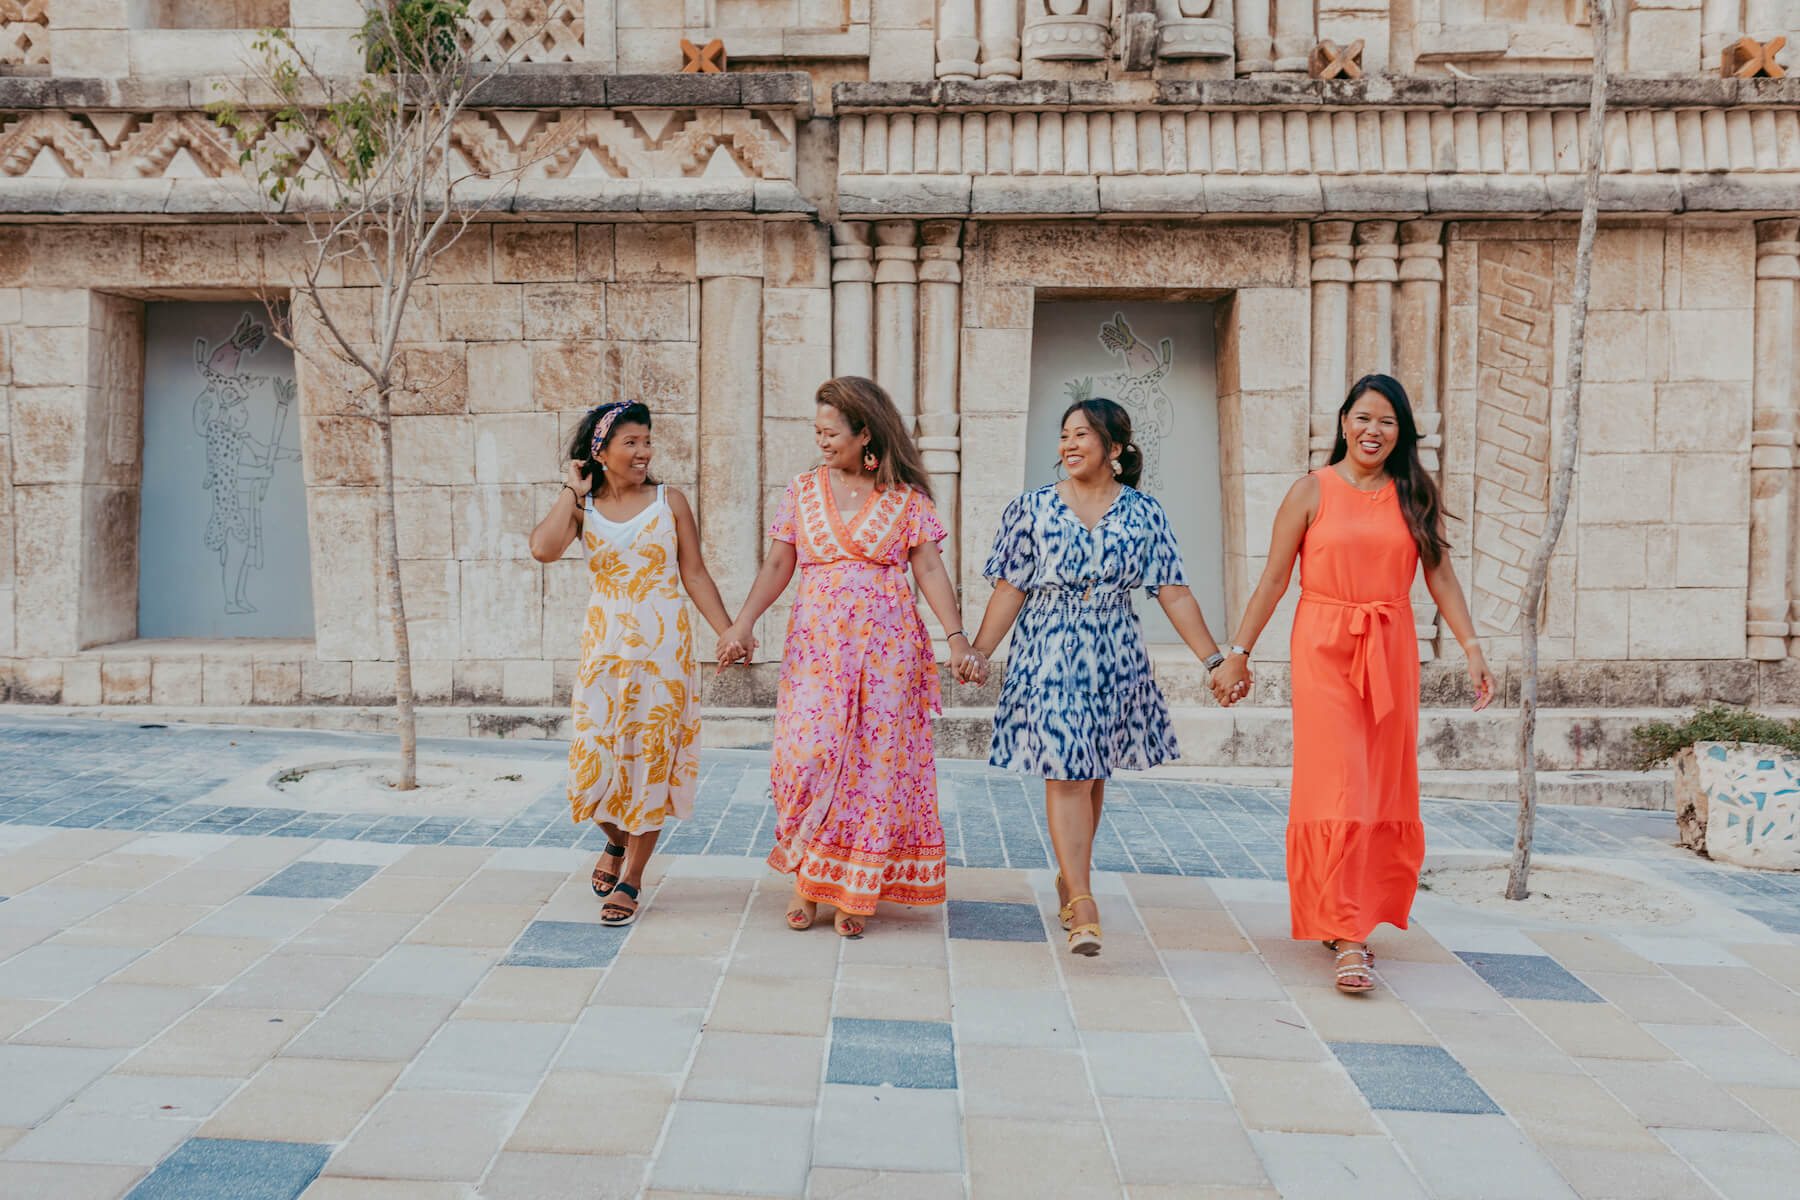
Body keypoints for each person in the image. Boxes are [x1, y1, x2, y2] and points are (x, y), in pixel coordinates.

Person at [1210, 374, 1494, 992]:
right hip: (1324, 647)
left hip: (1390, 650)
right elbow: (1273, 580)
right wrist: (1238, 654)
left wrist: (1472, 647)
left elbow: (1441, 579)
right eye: (1364, 418)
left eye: (1387, 422)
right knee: (1339, 783)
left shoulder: (1415, 491)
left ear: (1401, 433)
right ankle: (1348, 933)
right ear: (1343, 423)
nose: (1374, 431)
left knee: (1380, 785)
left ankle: (1358, 913)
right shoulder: (1311, 491)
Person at [963, 398, 1234, 957]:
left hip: (1115, 651)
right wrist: (980, 651)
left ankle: (1070, 875)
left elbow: (1173, 591)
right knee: (1065, 771)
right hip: (1048, 649)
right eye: (1063, 435)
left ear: (1114, 448)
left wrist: (1215, 660)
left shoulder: (1143, 512)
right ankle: (1084, 900)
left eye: (1082, 435)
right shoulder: (1031, 508)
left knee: (1090, 774)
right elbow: (1010, 587)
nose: (1068, 446)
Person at [718, 377, 977, 938]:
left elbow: (929, 570)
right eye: (817, 432)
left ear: (866, 434)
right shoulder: (803, 490)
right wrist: (743, 623)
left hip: (889, 651)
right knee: (805, 757)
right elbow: (777, 565)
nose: (822, 442)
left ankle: (850, 890)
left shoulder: (907, 500)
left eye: (831, 432)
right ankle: (809, 873)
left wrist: (955, 638)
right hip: (817, 648)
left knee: (874, 769)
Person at [529, 400, 744, 927]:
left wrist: (729, 632)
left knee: (650, 761)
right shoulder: (584, 506)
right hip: (604, 655)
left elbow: (693, 573)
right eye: (631, 442)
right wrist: (570, 491)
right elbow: (543, 549)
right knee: (591, 769)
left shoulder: (670, 501)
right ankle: (616, 842)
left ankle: (633, 877)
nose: (644, 451)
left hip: (663, 653)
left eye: (647, 440)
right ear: (599, 451)